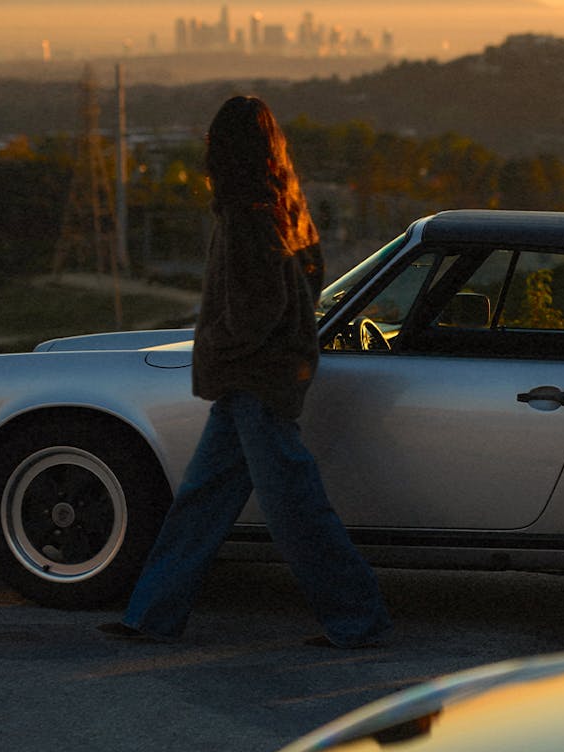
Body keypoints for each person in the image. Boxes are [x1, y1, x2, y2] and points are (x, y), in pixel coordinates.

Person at [99, 96, 391, 648]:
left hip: (254, 380)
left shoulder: (246, 216)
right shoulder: (287, 207)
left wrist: (220, 350)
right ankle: (152, 616)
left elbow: (258, 308)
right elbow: (300, 293)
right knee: (202, 502)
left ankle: (359, 618)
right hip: (261, 379)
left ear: (224, 152)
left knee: (292, 507)